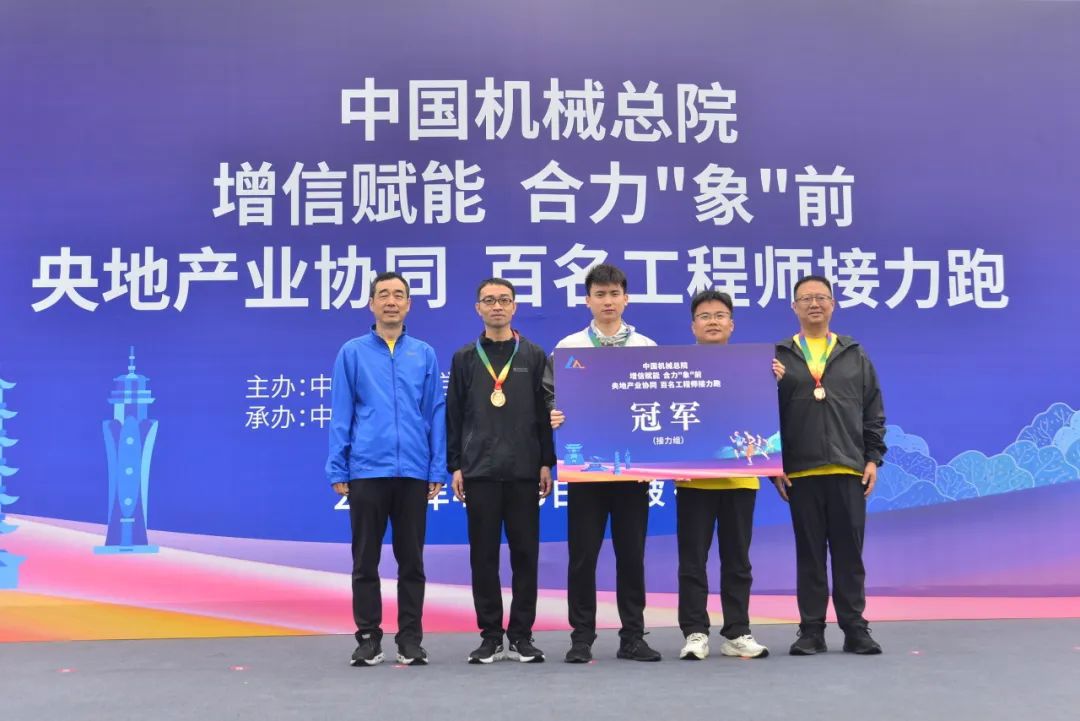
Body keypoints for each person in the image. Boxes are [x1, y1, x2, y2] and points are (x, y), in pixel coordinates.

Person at [326, 271, 446, 667]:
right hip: (366, 470)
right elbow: (341, 412)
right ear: (371, 304)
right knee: (365, 561)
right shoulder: (352, 352)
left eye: (398, 295)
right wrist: (338, 466)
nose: (391, 301)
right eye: (383, 295)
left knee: (412, 561)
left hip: (413, 471)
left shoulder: (424, 354)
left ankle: (410, 640)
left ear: (409, 304)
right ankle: (368, 638)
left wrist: (436, 467)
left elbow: (434, 412)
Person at [548, 263, 662, 663]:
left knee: (631, 556)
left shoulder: (646, 347)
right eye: (600, 294)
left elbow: (660, 404)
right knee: (583, 557)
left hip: (633, 472)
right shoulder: (568, 347)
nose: (608, 301)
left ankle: (633, 636)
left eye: (614, 294)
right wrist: (552, 413)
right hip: (585, 472)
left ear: (626, 299)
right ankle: (581, 637)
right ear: (588, 300)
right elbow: (550, 396)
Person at [772, 275, 886, 656]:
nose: (814, 304)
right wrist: (774, 465)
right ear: (794, 307)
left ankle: (855, 629)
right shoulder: (780, 357)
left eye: (821, 297)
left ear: (833, 304)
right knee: (810, 557)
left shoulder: (854, 354)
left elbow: (873, 410)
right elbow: (764, 414)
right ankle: (811, 631)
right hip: (801, 473)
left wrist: (872, 459)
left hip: (848, 469)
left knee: (849, 556)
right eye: (805, 299)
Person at [446, 278, 555, 665]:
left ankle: (522, 636)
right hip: (480, 471)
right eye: (489, 300)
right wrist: (455, 465)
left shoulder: (534, 354)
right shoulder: (464, 357)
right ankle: (490, 636)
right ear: (478, 308)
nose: (497, 306)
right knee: (484, 557)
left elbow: (545, 413)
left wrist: (546, 461)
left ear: (514, 306)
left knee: (526, 556)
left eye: (504, 300)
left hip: (525, 471)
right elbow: (454, 415)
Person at [676, 289, 784, 661]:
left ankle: (737, 631)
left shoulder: (755, 368)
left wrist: (775, 382)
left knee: (737, 560)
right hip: (694, 480)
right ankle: (694, 632)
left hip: (741, 479)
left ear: (731, 324)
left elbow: (768, 419)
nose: (713, 322)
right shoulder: (678, 367)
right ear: (693, 325)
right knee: (693, 561)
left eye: (720, 315)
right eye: (705, 316)